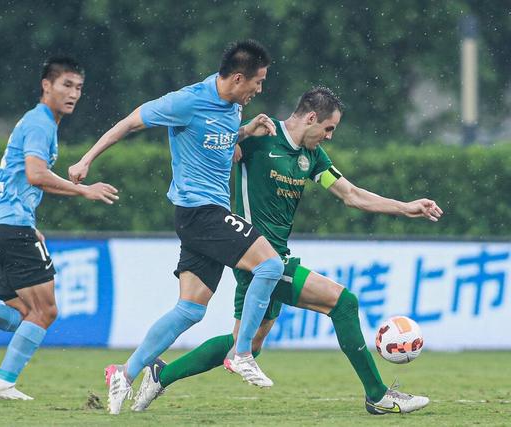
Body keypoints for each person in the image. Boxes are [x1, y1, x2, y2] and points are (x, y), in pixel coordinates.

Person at [130, 86, 443, 415]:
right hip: (254, 258)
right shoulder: (261, 135)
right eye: (328, 128)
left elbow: (351, 194)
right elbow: (212, 146)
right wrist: (234, 141)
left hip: (275, 258)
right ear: (311, 118)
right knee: (343, 303)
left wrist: (406, 207)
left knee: (247, 344)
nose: (330, 136)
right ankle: (377, 395)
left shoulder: (312, 158)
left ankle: (161, 375)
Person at [68, 40, 284, 414]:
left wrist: (245, 132)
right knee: (270, 265)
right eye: (258, 81)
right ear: (238, 78)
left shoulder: (234, 106)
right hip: (200, 213)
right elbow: (129, 122)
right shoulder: (186, 101)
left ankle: (124, 372)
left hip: (204, 215)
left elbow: (218, 141)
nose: (260, 89)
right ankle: (242, 353)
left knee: (190, 310)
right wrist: (86, 160)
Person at [0, 57, 119, 400]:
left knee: (25, 316)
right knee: (46, 311)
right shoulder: (40, 123)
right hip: (11, 229)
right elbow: (35, 174)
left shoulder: (35, 122)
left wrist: (30, 225)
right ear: (46, 85)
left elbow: (19, 179)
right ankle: (3, 384)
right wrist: (84, 190)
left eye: (78, 88)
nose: (74, 94)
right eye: (66, 85)